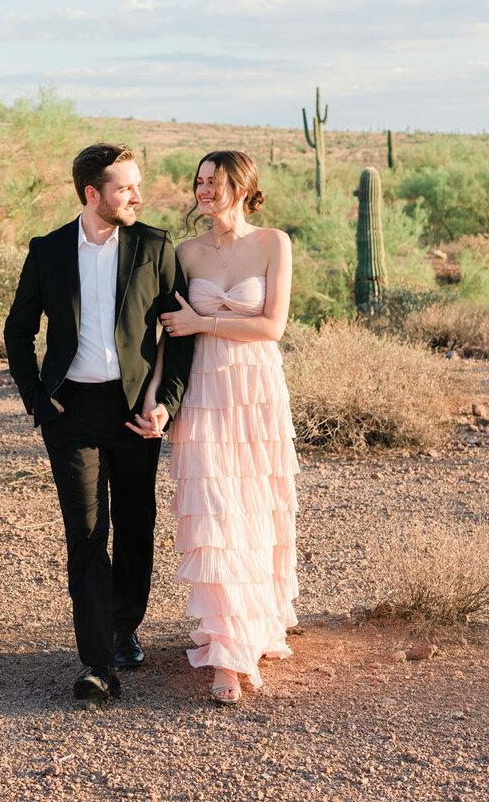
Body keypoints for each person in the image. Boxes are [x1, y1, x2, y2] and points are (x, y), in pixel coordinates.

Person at [4, 142, 194, 702]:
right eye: (125, 187)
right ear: (93, 194)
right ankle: (97, 664)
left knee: (136, 525)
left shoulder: (155, 246)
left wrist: (168, 402)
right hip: (71, 414)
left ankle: (124, 626)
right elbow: (18, 330)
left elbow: (178, 332)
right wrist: (37, 401)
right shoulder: (49, 250)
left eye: (137, 185)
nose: (138, 195)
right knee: (87, 535)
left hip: (135, 410)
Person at [156, 150, 299, 706]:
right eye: (198, 182)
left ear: (242, 186)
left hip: (256, 389)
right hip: (205, 389)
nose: (203, 190)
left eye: (214, 181)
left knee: (256, 509)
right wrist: (159, 400)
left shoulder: (273, 244)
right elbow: (169, 334)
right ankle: (225, 656)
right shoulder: (185, 252)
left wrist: (206, 321)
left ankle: (253, 627)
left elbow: (271, 326)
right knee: (215, 511)